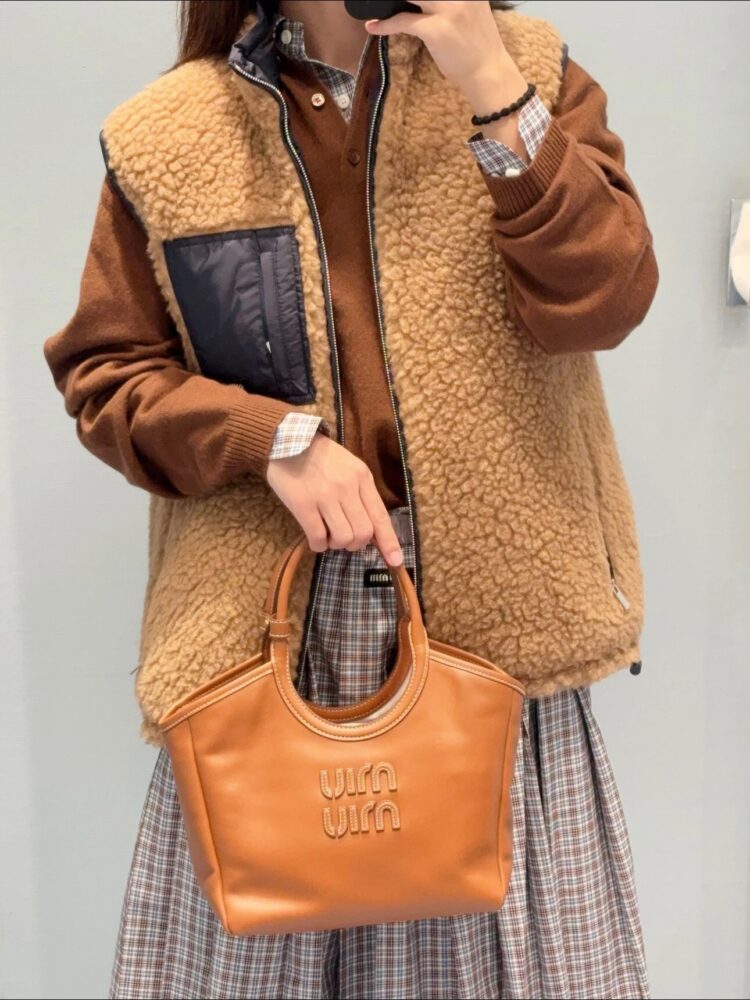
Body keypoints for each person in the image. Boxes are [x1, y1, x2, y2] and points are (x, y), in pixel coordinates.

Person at [43, 0, 659, 996]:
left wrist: (489, 82)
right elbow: (108, 375)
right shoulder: (170, 132)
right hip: (265, 657)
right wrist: (273, 442)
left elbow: (607, 299)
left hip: (492, 650)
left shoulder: (523, 67)